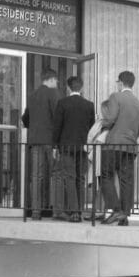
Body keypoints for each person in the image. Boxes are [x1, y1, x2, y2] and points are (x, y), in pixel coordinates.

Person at [100, 70, 139, 226]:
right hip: (130, 146)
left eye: (117, 82)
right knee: (126, 180)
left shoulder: (115, 97)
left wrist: (102, 124)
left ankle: (115, 209)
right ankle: (124, 216)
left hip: (114, 144)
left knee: (105, 175)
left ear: (121, 82)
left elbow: (110, 118)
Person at [52, 76, 95, 222]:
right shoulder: (89, 105)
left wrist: (54, 146)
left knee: (69, 177)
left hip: (66, 146)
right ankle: (80, 211)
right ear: (81, 88)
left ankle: (73, 212)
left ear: (68, 88)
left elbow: (57, 126)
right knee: (80, 178)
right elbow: (91, 128)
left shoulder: (63, 103)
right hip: (83, 146)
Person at [21, 68, 60, 219]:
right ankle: (56, 210)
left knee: (36, 176)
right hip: (50, 141)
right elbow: (58, 117)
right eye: (56, 81)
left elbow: (25, 119)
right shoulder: (53, 93)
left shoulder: (33, 95)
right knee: (56, 174)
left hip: (35, 141)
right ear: (51, 79)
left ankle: (36, 212)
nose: (56, 83)